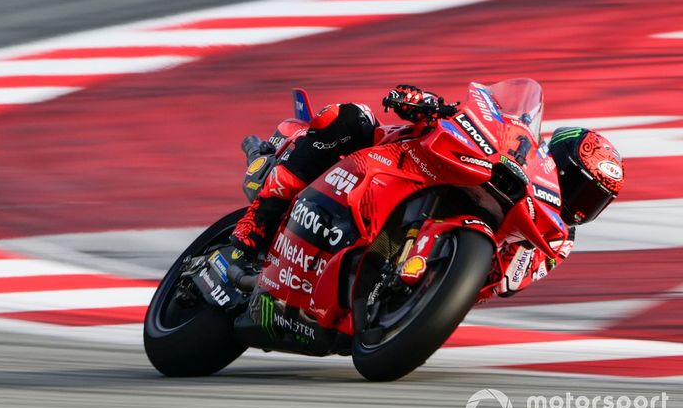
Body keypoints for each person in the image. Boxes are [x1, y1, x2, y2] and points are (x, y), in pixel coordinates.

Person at [229, 84, 625, 298]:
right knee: (350, 117)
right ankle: (254, 229)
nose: (579, 204)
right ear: (554, 158)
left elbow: (504, 286)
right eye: (579, 187)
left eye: (594, 201)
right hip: (394, 161)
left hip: (422, 271)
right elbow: (474, 119)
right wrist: (426, 104)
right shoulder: (523, 154)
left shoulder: (555, 242)